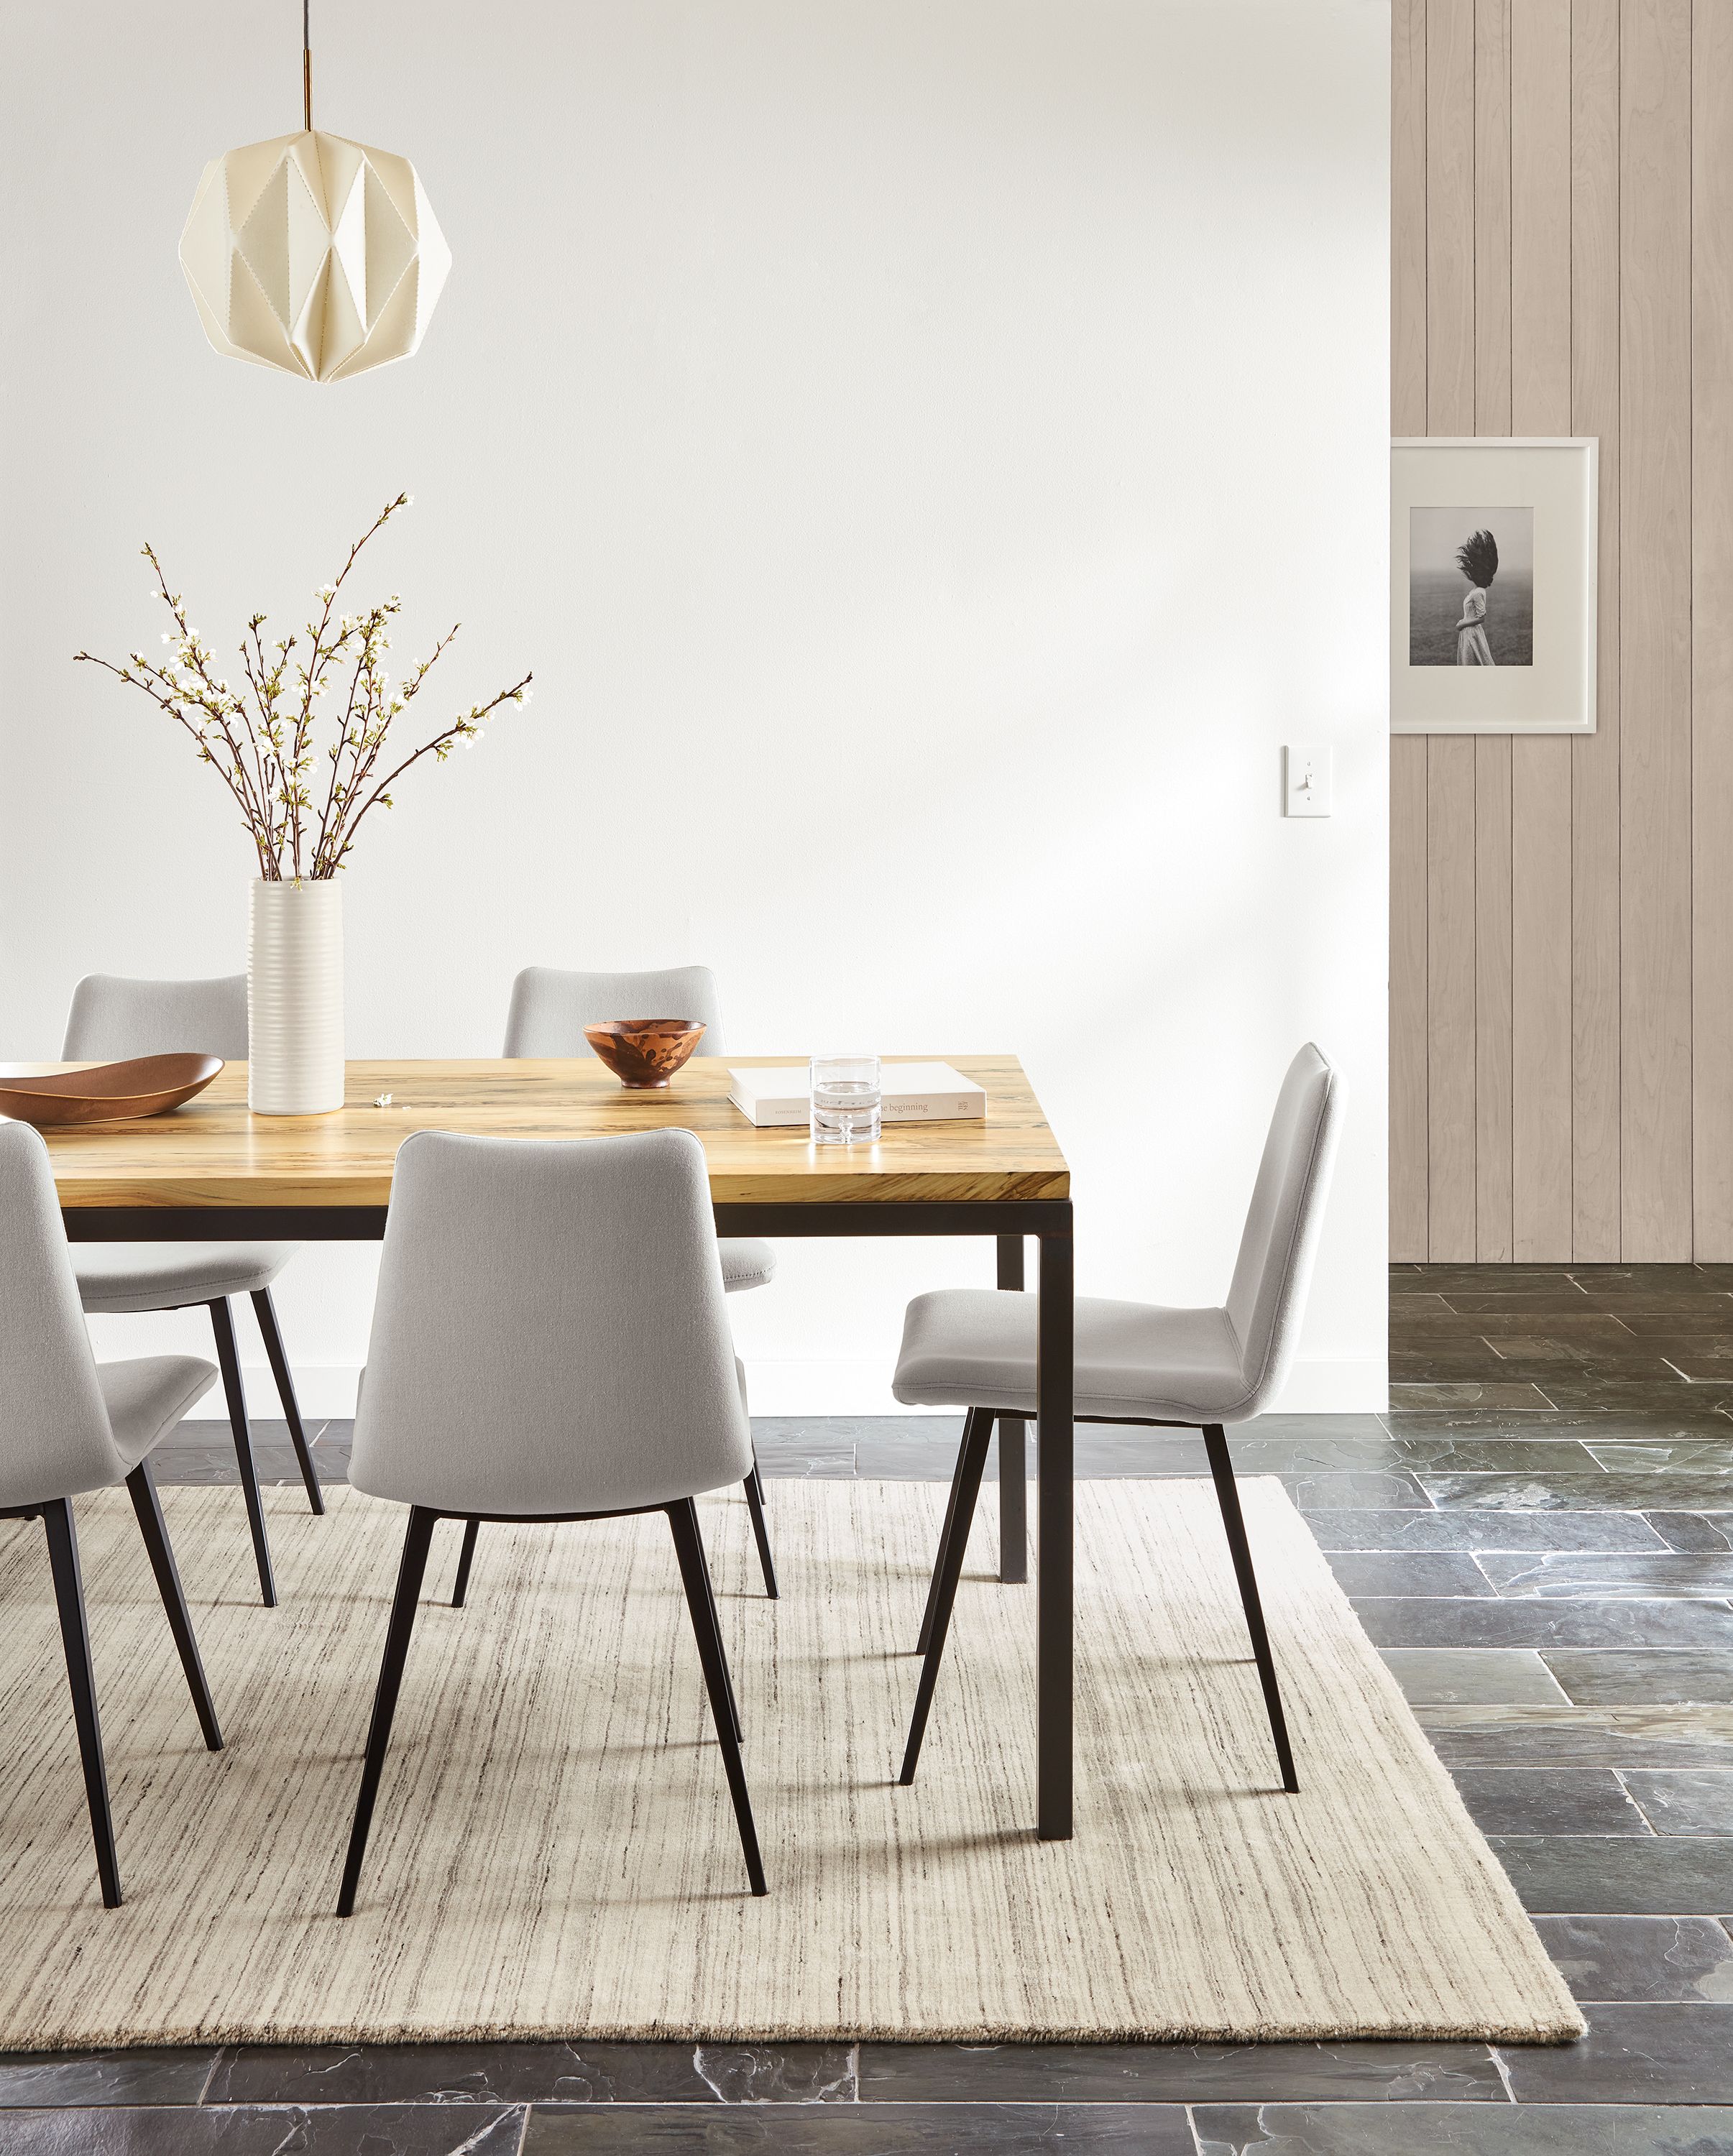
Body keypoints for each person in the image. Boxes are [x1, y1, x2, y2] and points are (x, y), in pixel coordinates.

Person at [1454, 528, 1498, 665]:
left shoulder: (1478, 592)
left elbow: (1482, 617)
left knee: (1476, 663)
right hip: (1468, 633)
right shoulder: (1476, 590)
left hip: (1472, 634)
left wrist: (1462, 623)